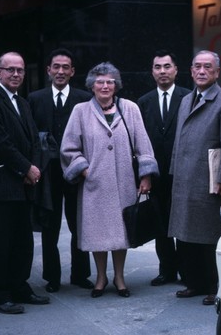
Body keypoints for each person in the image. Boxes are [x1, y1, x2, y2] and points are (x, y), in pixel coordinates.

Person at [60, 62, 159, 298]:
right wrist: (85, 170)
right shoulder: (80, 111)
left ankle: (120, 277)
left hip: (124, 182)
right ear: (92, 86)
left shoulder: (130, 108)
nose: (105, 86)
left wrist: (145, 175)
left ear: (116, 85)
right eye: (100, 81)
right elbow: (69, 148)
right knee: (98, 233)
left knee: (121, 232)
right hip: (95, 185)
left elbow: (143, 144)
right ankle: (101, 277)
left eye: (110, 81)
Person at [0, 51, 50, 314]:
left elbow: (33, 140)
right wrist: (27, 167)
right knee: (0, 243)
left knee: (22, 241)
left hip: (22, 185)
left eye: (20, 70)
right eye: (10, 70)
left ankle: (19, 286)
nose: (15, 74)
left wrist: (35, 166)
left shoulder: (23, 102)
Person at [168, 50, 221, 306]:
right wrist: (174, 170)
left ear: (217, 72)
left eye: (208, 67)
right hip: (184, 176)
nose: (202, 71)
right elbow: (178, 139)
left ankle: (214, 285)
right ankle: (193, 283)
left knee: (210, 234)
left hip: (209, 176)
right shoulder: (186, 99)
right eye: (197, 67)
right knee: (185, 233)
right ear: (191, 70)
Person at [27, 48, 94, 293]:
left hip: (77, 170)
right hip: (48, 172)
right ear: (48, 70)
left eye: (66, 67)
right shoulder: (35, 98)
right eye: (56, 66)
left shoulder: (85, 98)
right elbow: (31, 136)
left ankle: (80, 274)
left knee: (79, 223)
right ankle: (52, 277)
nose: (61, 71)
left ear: (73, 71)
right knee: (50, 225)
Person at [137, 49, 190, 286]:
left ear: (176, 70)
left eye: (167, 66)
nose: (162, 71)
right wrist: (144, 174)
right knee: (161, 223)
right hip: (156, 174)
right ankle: (166, 270)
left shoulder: (189, 98)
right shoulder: (143, 102)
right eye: (157, 67)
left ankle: (188, 271)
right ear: (152, 72)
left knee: (184, 223)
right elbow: (138, 141)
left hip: (183, 172)